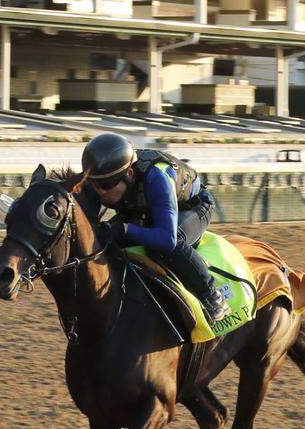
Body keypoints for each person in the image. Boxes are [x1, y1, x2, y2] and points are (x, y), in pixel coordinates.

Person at [82, 133, 230, 322]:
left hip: (192, 206)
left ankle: (212, 296)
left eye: (106, 185)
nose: (100, 192)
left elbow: (167, 240)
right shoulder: (102, 180)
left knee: (161, 246)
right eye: (94, 184)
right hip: (143, 209)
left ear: (129, 174)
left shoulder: (156, 177)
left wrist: (125, 230)